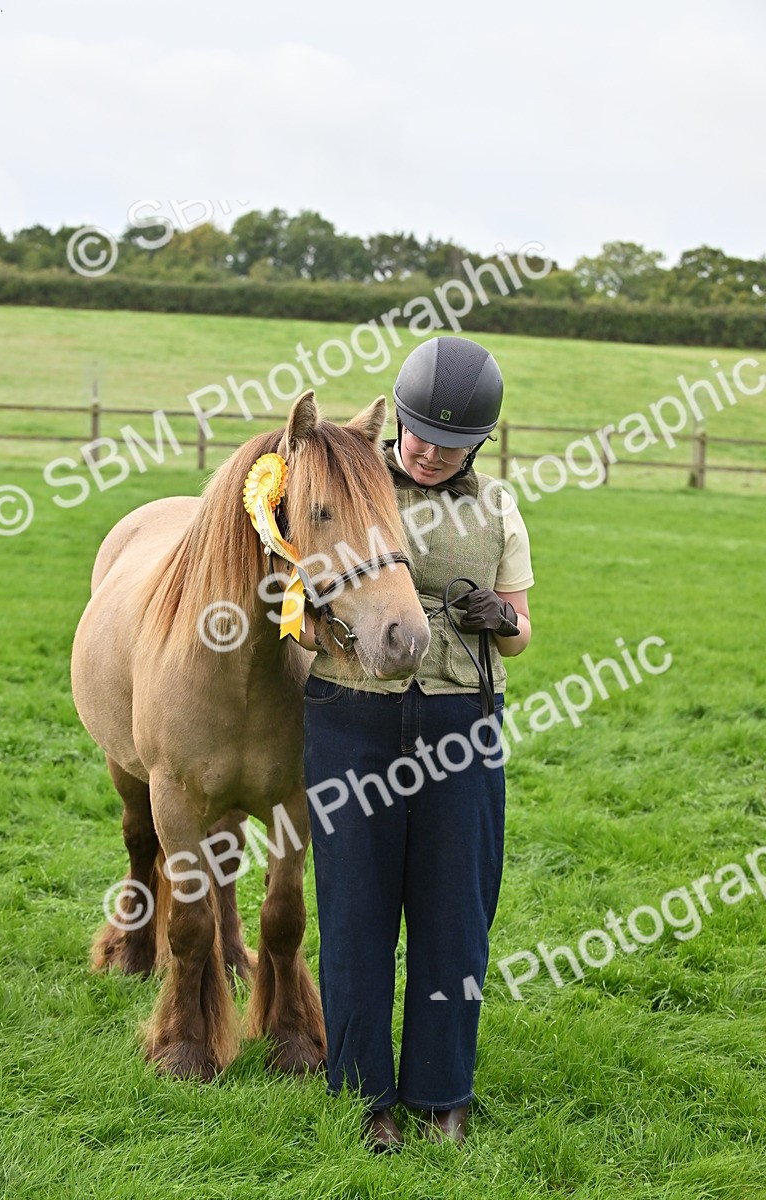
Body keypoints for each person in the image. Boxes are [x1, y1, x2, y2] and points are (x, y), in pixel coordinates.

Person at [301, 335, 534, 1151]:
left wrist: (502, 620)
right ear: (397, 418)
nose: (431, 453)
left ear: (481, 444)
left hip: (460, 725)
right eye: (419, 435)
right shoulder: (350, 478)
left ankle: (444, 1093)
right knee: (357, 910)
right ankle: (365, 1097)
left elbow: (521, 635)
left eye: (453, 444)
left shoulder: (500, 507)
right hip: (351, 717)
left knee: (455, 914)